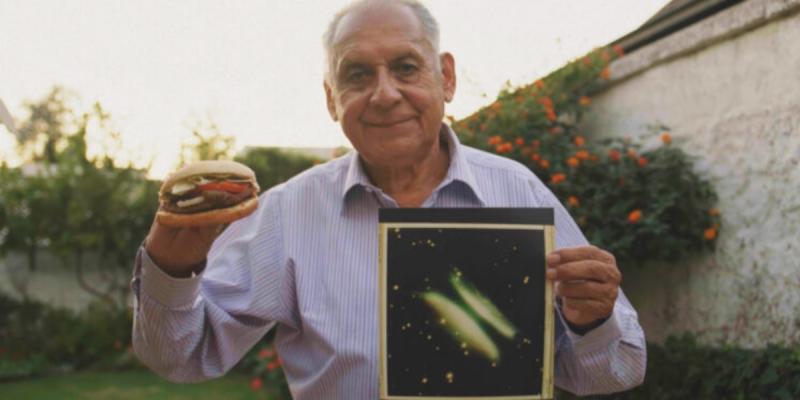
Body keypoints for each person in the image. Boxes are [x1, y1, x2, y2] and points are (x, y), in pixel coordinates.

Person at [132, 0, 646, 398]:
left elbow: (617, 370)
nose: (384, 94)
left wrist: (592, 319)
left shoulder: (518, 190)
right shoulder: (291, 212)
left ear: (445, 77)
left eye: (405, 67)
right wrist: (171, 272)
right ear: (332, 98)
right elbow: (181, 356)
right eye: (357, 74)